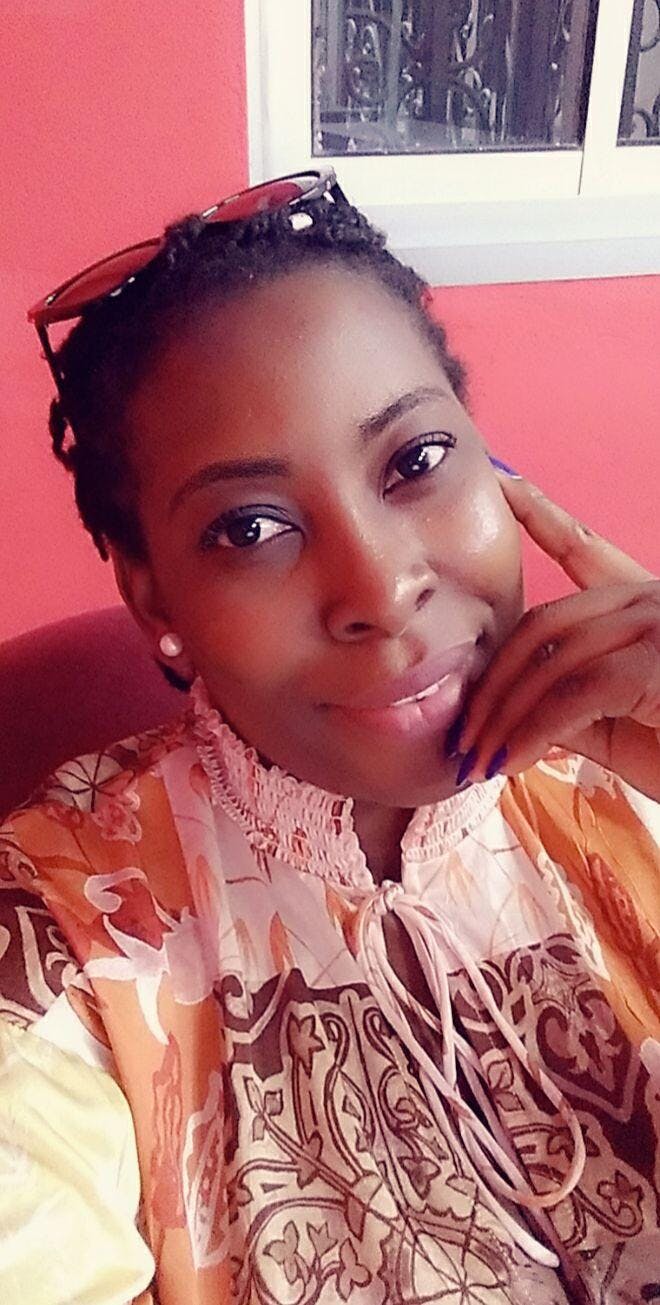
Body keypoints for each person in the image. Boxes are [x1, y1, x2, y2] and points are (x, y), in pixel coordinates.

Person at [0, 168, 658, 1305]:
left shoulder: (634, 773)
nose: (384, 588)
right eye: (250, 527)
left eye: (416, 461)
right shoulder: (60, 936)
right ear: (153, 599)